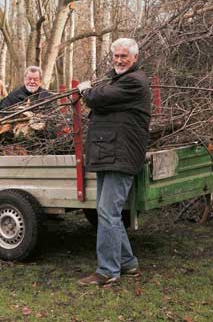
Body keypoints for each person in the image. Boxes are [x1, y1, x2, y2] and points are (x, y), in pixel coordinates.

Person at [76, 38, 151, 287]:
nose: (119, 60)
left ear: (135, 58)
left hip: (121, 156)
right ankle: (127, 263)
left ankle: (107, 270)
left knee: (108, 213)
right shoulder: (120, 80)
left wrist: (85, 90)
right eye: (116, 56)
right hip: (109, 153)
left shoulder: (133, 82)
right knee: (107, 213)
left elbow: (98, 99)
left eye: (124, 56)